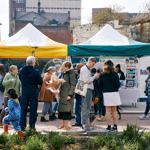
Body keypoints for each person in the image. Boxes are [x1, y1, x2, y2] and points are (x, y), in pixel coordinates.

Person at [19, 56, 43, 130]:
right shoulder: (35, 72)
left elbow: (20, 78)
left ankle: (22, 126)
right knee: (33, 109)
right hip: (33, 92)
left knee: (23, 109)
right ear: (33, 63)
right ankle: (32, 126)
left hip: (24, 92)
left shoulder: (21, 70)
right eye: (35, 62)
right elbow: (40, 82)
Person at [99, 60, 121, 132]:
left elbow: (99, 84)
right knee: (114, 111)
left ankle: (108, 126)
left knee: (107, 111)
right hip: (114, 93)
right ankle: (115, 126)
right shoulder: (115, 74)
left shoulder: (102, 74)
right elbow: (118, 84)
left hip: (106, 93)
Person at [80, 57, 99, 130]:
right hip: (87, 89)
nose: (93, 66)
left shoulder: (86, 69)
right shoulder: (85, 69)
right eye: (93, 64)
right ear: (90, 61)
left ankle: (85, 124)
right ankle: (84, 125)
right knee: (86, 107)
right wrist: (94, 77)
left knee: (87, 107)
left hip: (88, 89)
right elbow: (85, 80)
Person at [57, 61, 77, 130]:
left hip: (67, 95)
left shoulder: (71, 74)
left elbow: (73, 85)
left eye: (63, 66)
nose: (62, 67)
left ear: (67, 67)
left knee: (67, 110)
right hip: (62, 94)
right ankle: (63, 125)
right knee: (62, 110)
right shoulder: (64, 74)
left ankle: (69, 125)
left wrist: (70, 95)